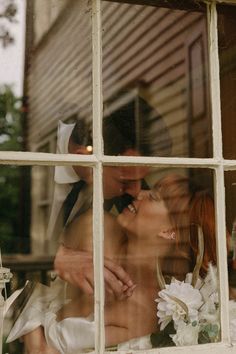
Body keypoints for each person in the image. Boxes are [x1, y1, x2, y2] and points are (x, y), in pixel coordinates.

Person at [14, 174, 218, 353]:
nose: (140, 194)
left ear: (168, 232)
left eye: (154, 196)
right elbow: (36, 273)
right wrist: (33, 330)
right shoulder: (96, 228)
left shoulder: (147, 311)